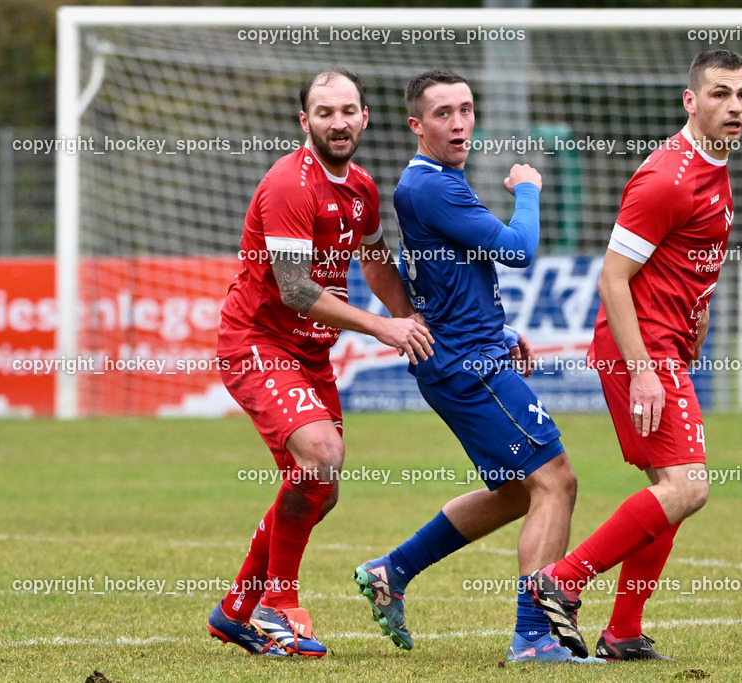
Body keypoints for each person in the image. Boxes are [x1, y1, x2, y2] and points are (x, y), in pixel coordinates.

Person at [352, 69, 600, 664]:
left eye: (466, 109)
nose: (459, 122)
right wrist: (529, 188)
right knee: (556, 481)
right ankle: (534, 637)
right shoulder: (435, 187)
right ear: (416, 125)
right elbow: (516, 250)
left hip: (466, 352)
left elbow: (442, 277)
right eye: (443, 113)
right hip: (469, 367)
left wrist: (501, 329)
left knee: (519, 491)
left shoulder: (429, 183)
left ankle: (394, 569)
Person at [523, 50, 742, 661]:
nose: (734, 107)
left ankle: (623, 631)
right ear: (690, 100)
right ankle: (563, 580)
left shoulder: (716, 165)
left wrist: (695, 317)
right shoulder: (667, 177)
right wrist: (645, 371)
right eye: (720, 94)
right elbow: (612, 279)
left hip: (668, 340)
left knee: (668, 489)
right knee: (689, 486)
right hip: (639, 349)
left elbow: (686, 261)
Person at [207, 69, 434, 658]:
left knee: (320, 488)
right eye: (325, 112)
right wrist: (383, 326)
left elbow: (377, 262)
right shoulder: (290, 184)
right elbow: (293, 287)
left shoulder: (359, 186)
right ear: (304, 121)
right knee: (323, 456)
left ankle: (235, 611)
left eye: (348, 111)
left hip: (309, 353)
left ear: (365, 118)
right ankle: (277, 604)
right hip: (257, 343)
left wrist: (413, 321)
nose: (338, 122)